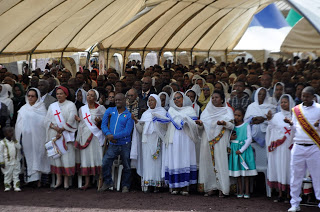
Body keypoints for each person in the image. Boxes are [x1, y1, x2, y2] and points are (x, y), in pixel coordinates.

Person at [285, 87, 320, 212]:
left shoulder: (319, 109)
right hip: (298, 146)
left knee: (317, 176)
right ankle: (294, 203)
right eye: (303, 96)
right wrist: (291, 124)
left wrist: (319, 125)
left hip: (314, 146)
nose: (305, 98)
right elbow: (296, 129)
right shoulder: (296, 110)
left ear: (313, 97)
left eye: (307, 96)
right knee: (295, 176)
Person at [197, 90, 234, 197]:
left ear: (222, 99)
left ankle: (222, 188)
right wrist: (199, 124)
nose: (214, 99)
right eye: (212, 98)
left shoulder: (227, 111)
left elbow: (232, 126)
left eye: (216, 97)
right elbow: (201, 127)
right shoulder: (206, 111)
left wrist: (224, 123)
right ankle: (210, 187)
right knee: (208, 162)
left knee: (220, 162)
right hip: (207, 140)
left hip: (220, 140)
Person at [164, 91, 200, 195]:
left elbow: (194, 125)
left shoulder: (190, 110)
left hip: (186, 139)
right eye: (174, 99)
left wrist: (186, 121)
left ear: (184, 98)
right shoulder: (171, 111)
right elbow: (167, 125)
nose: (176, 100)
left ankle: (185, 187)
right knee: (175, 161)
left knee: (185, 160)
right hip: (173, 139)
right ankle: (175, 186)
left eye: (178, 97)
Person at [132, 94, 167, 192]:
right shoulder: (145, 114)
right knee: (147, 163)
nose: (150, 102)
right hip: (146, 142)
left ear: (157, 102)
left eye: (152, 100)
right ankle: (148, 184)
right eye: (149, 100)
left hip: (157, 141)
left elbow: (165, 128)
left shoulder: (162, 112)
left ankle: (157, 185)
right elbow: (141, 130)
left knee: (157, 163)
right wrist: (136, 122)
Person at [15, 88, 50, 186]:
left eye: (32, 96)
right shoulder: (23, 109)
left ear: (37, 97)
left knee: (39, 156)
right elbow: (18, 125)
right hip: (26, 139)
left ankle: (38, 180)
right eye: (28, 96)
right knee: (29, 157)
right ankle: (30, 179)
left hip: (39, 138)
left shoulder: (42, 108)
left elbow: (44, 123)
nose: (30, 98)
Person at [100, 93, 134, 193]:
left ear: (124, 100)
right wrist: (108, 134)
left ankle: (125, 185)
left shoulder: (129, 115)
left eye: (119, 100)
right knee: (105, 162)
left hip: (125, 144)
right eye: (116, 100)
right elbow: (103, 125)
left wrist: (113, 136)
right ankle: (108, 182)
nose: (117, 102)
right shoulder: (110, 111)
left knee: (127, 165)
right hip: (113, 144)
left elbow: (127, 131)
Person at [45, 86, 78, 189]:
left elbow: (72, 119)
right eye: (57, 94)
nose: (59, 95)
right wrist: (55, 128)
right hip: (54, 134)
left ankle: (66, 181)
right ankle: (58, 180)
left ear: (66, 94)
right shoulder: (52, 106)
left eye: (61, 93)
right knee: (57, 157)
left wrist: (62, 129)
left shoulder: (71, 105)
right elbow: (47, 120)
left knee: (66, 157)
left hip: (66, 134)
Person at [75, 89, 106, 190]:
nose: (89, 97)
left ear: (96, 98)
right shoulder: (82, 109)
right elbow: (81, 124)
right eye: (88, 95)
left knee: (97, 157)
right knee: (86, 158)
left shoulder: (101, 108)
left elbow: (106, 123)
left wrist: (100, 122)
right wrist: (79, 121)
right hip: (85, 136)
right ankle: (87, 182)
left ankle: (99, 181)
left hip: (96, 137)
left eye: (92, 95)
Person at [266, 94, 294, 203]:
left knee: (288, 168)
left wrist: (290, 125)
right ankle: (280, 194)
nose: (283, 104)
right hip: (278, 147)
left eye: (285, 102)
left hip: (289, 147)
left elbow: (296, 129)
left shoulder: (294, 115)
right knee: (279, 168)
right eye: (281, 102)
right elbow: (271, 128)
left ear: (290, 103)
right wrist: (269, 120)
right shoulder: (277, 116)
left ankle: (289, 194)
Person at [229, 108, 257, 199]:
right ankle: (240, 191)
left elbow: (249, 139)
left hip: (243, 151)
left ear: (243, 117)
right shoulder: (232, 126)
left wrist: (241, 150)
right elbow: (228, 137)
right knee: (238, 174)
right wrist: (230, 139)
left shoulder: (246, 125)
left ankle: (247, 191)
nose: (236, 117)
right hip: (234, 151)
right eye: (235, 115)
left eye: (239, 115)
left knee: (245, 173)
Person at [0, 127, 21, 192]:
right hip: (7, 161)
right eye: (9, 132)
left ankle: (16, 186)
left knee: (16, 173)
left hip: (15, 161)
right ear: (5, 134)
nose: (11, 133)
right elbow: (0, 153)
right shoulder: (2, 142)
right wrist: (1, 162)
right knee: (7, 174)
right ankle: (7, 186)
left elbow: (19, 147)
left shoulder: (15, 141)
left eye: (12, 132)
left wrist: (15, 141)